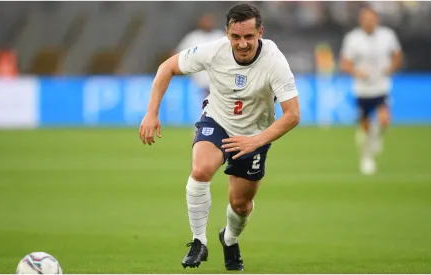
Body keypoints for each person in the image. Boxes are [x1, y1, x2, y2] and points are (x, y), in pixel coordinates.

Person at [139, 3, 300, 271]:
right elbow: (166, 67)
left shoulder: (274, 61)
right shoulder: (213, 51)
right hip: (218, 121)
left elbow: (293, 114)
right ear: (227, 33)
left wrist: (256, 141)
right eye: (236, 37)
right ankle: (198, 241)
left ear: (260, 32)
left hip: (254, 134)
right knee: (201, 170)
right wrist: (151, 113)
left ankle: (229, 238)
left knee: (241, 204)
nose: (243, 43)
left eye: (249, 36)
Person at [339, 6, 402, 175]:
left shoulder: (387, 36)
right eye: (365, 18)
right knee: (365, 126)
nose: (369, 21)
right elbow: (345, 64)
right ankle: (366, 158)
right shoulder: (353, 39)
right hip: (362, 89)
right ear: (361, 20)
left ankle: (376, 137)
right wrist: (357, 72)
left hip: (381, 86)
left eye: (372, 18)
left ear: (377, 19)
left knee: (384, 120)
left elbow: (397, 54)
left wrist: (391, 68)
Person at [175, 13, 225, 99]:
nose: (207, 23)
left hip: (218, 84)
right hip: (197, 84)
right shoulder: (192, 38)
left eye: (209, 20)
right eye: (205, 20)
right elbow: (178, 56)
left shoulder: (220, 36)